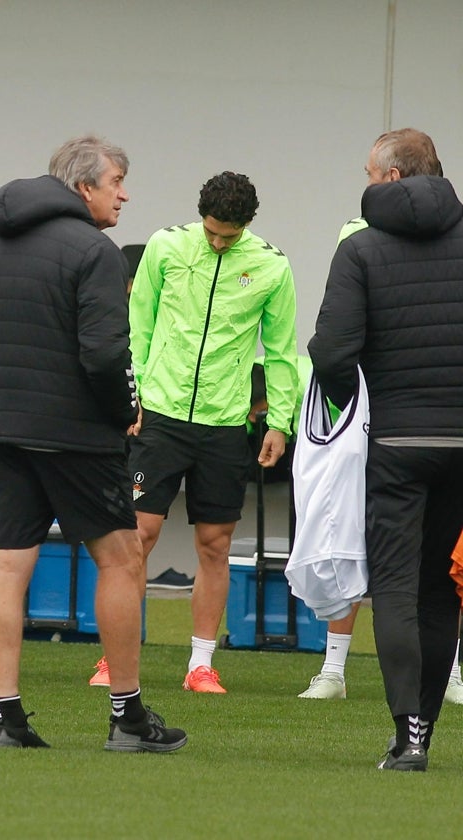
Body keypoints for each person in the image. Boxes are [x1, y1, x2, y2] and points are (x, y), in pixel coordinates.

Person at [0, 135, 186, 752]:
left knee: (7, 568)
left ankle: (8, 721)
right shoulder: (97, 251)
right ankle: (128, 718)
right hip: (80, 436)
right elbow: (107, 353)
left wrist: (9, 397)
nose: (125, 193)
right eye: (117, 181)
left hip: (7, 430)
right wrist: (123, 412)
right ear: (84, 187)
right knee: (121, 559)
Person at [309, 127, 463, 771]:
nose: (366, 182)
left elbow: (331, 351)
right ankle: (428, 719)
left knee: (396, 589)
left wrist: (359, 408)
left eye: (371, 173)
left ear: (394, 178)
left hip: (395, 442)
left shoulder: (361, 250)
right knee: (440, 591)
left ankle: (410, 737)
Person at [116, 171, 298, 695]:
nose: (219, 242)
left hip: (224, 423)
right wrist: (137, 397)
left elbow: (281, 350)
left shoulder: (271, 265)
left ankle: (200, 665)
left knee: (214, 545)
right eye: (213, 232)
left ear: (247, 226)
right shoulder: (166, 246)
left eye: (230, 236)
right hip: (162, 416)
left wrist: (279, 423)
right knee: (136, 537)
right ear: (201, 217)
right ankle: (116, 658)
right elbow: (139, 325)